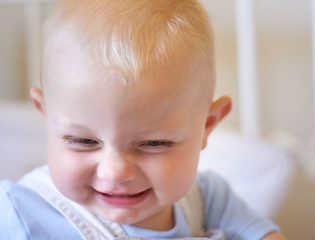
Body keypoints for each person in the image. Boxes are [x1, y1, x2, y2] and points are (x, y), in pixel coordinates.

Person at [0, 0, 287, 239]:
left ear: (207, 126)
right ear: (46, 115)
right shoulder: (18, 212)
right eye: (83, 141)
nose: (115, 173)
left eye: (154, 143)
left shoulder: (210, 200)